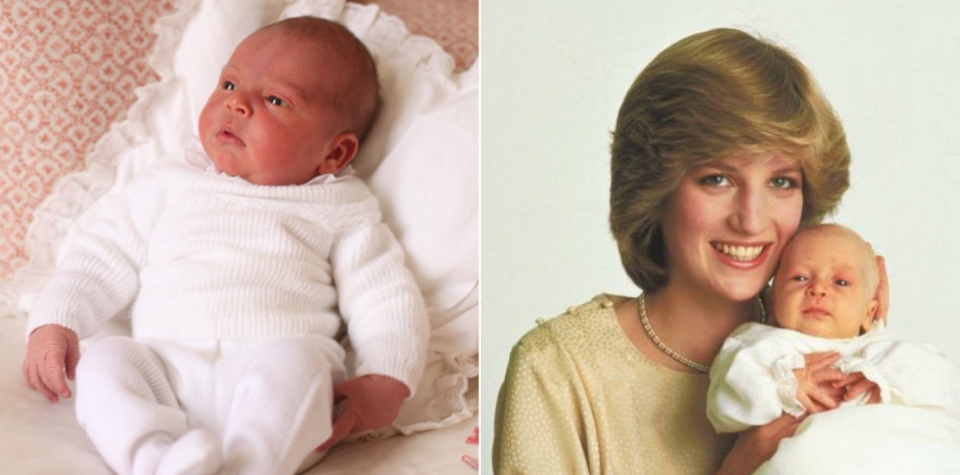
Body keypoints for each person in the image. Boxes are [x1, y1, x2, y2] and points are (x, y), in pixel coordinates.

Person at [21, 17, 428, 475]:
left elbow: (385, 295)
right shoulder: (170, 181)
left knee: (301, 363)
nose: (236, 103)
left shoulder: (341, 207)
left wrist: (386, 378)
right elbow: (100, 255)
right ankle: (155, 461)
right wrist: (56, 320)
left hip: (275, 382)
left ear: (334, 154)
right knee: (105, 361)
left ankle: (248, 466)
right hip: (163, 370)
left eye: (275, 99)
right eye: (230, 83)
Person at [493, 28, 887, 475]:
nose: (751, 220)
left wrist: (868, 335)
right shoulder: (558, 369)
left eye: (781, 182)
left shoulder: (837, 346)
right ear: (654, 188)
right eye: (717, 178)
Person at [708, 224, 960, 474]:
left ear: (869, 312)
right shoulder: (762, 345)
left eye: (840, 282)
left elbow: (938, 389)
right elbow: (727, 402)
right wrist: (784, 384)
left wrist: (882, 380)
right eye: (800, 277)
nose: (818, 289)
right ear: (774, 299)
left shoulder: (884, 350)